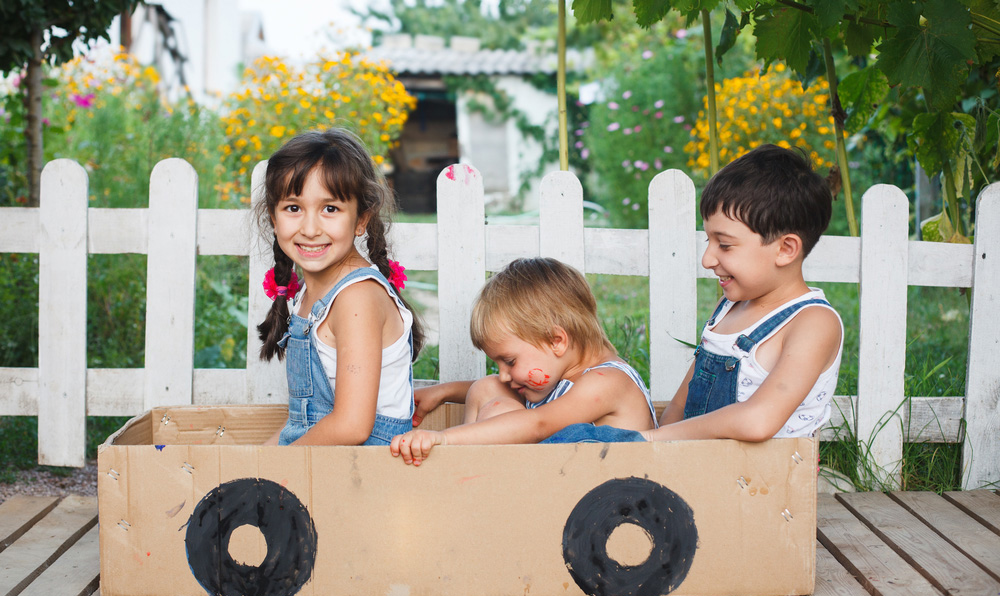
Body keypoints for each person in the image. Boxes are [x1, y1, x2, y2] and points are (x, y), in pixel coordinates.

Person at [642, 143, 843, 442]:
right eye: (708, 241)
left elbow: (758, 421)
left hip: (767, 483)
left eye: (724, 245)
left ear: (786, 249)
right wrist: (657, 451)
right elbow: (680, 406)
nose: (707, 259)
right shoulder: (728, 308)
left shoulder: (813, 323)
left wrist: (653, 441)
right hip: (700, 472)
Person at [390, 257, 657, 465]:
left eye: (510, 361)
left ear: (556, 340)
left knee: (498, 411)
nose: (505, 374)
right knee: (487, 387)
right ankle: (468, 475)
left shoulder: (608, 382)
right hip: (565, 478)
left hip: (606, 500)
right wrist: (443, 391)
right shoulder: (563, 368)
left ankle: (468, 478)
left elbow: (537, 425)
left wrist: (444, 438)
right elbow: (507, 388)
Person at [256, 128, 424, 446]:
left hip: (363, 471)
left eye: (330, 209)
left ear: (361, 219)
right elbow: (303, 421)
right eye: (293, 208)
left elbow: (351, 427)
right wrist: (257, 463)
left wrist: (270, 471)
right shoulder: (308, 295)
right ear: (273, 218)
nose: (309, 228)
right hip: (320, 457)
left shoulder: (356, 298)